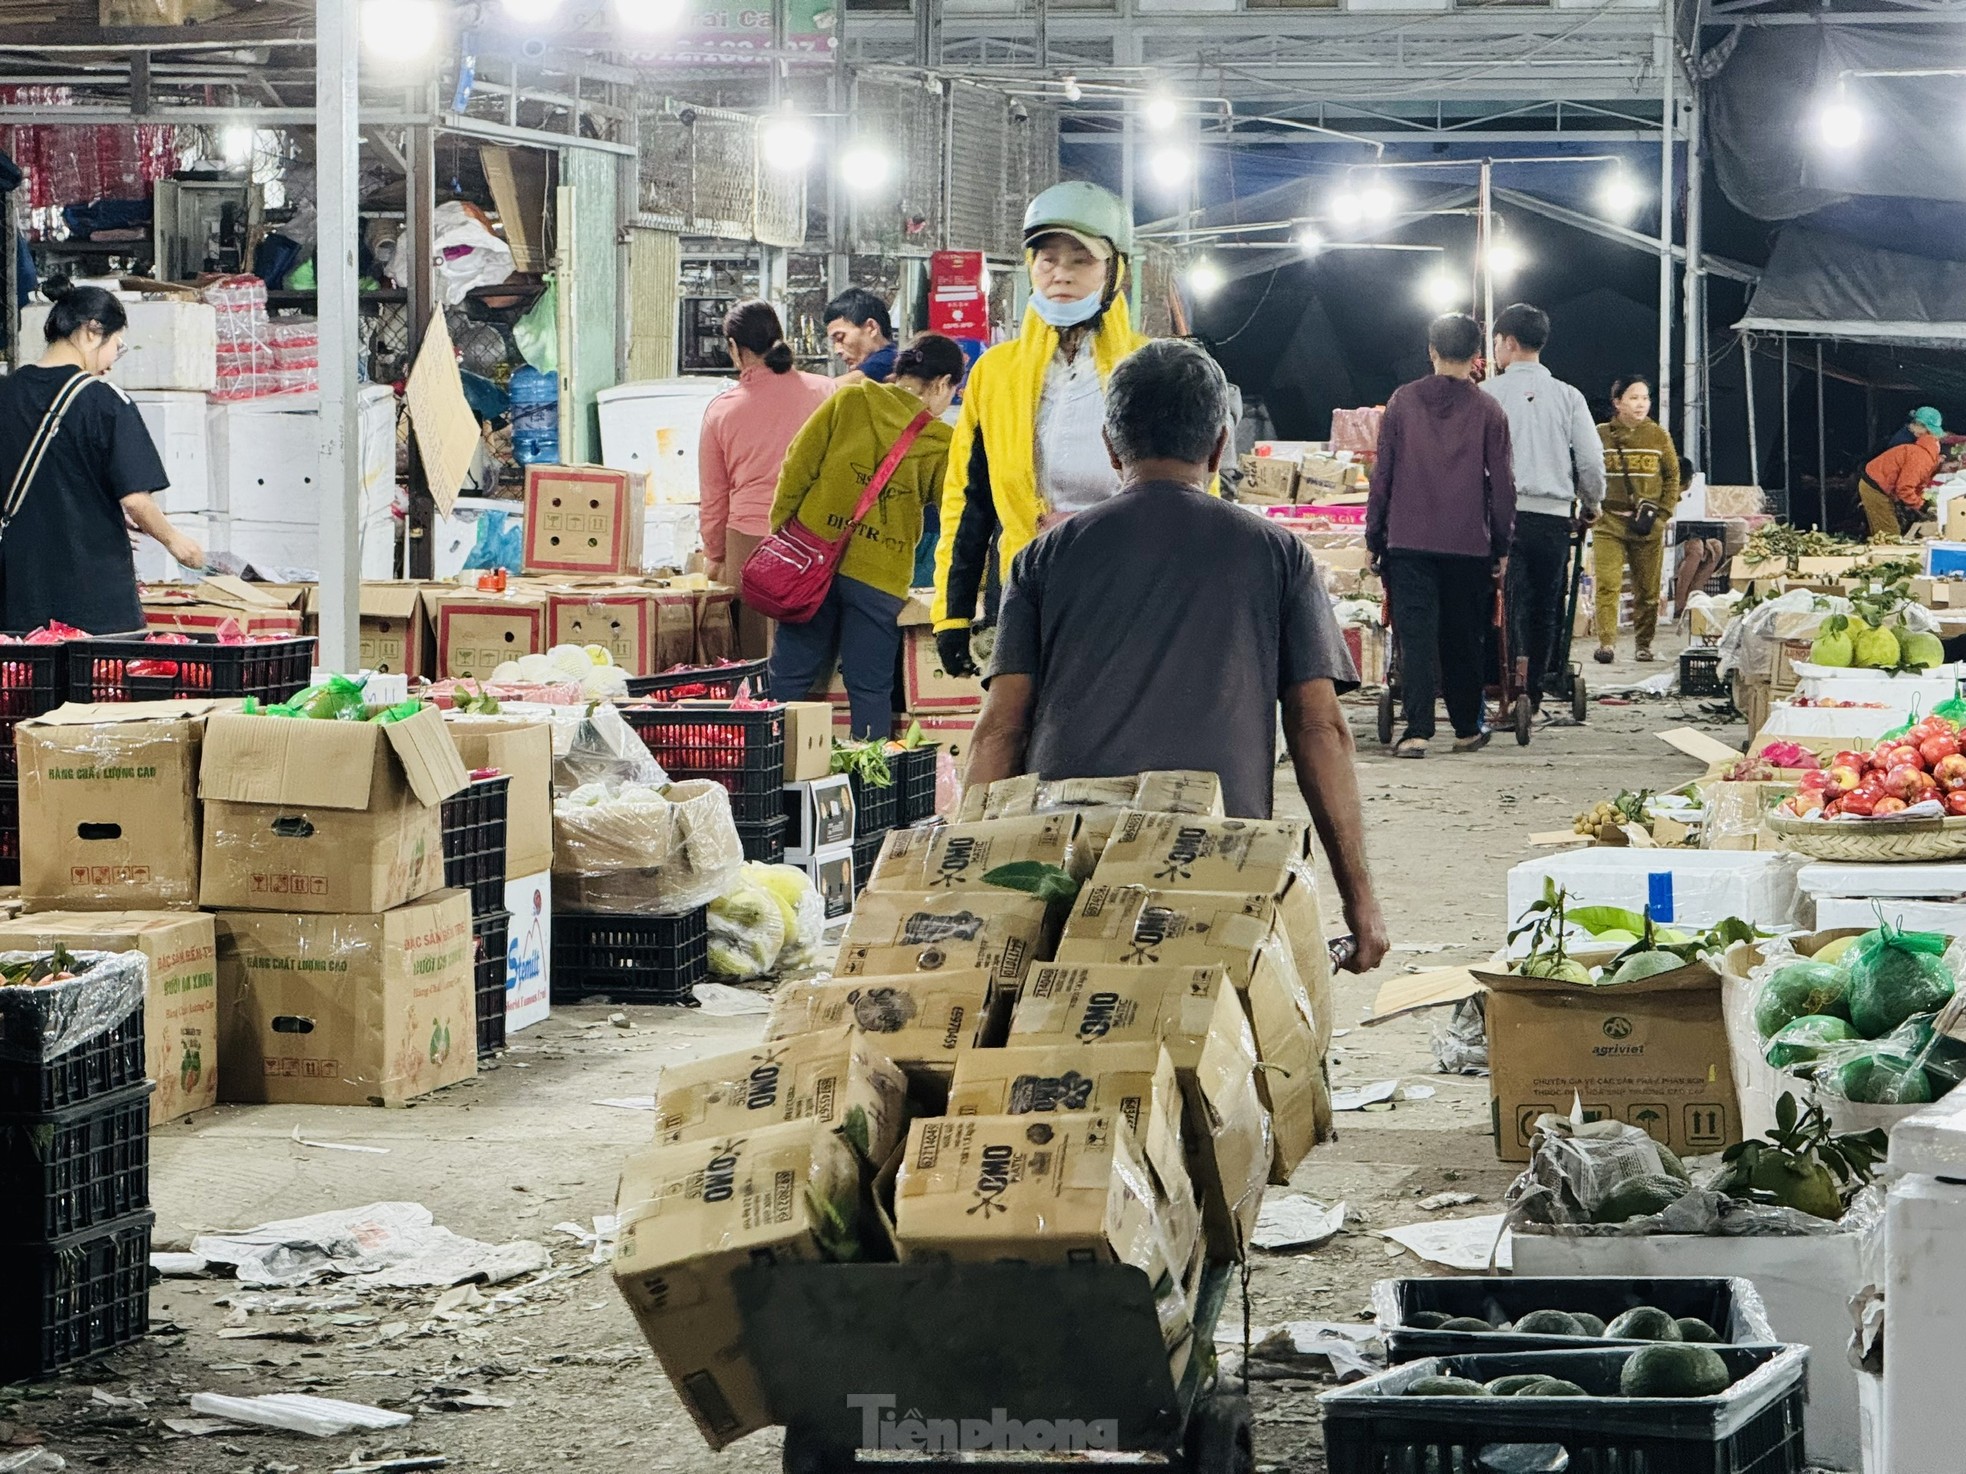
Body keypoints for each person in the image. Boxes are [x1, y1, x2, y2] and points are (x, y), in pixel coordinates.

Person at [966, 339, 1386, 973]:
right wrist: (1361, 903)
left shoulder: (1043, 558)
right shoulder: (1277, 554)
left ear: (1112, 446)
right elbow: (1319, 729)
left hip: (1068, 865)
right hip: (1219, 863)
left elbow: (1000, 728)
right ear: (1220, 446)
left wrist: (963, 887)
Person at [930, 180, 1151, 678]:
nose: (1060, 275)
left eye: (1081, 260)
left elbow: (1193, 495)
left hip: (1131, 598)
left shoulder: (1151, 367)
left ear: (1118, 270)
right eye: (1047, 259)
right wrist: (953, 612)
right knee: (1026, 742)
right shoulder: (995, 373)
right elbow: (968, 500)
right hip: (1026, 597)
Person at [765, 335, 967, 738]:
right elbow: (954, 513)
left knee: (786, 681)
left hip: (811, 559)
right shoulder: (940, 440)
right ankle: (866, 786)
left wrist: (783, 534)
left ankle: (773, 775)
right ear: (943, 383)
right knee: (870, 688)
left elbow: (796, 467)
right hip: (879, 574)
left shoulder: (848, 402)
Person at [0, 277, 204, 633]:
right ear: (92, 332)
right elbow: (137, 502)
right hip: (91, 595)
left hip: (17, 592)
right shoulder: (106, 403)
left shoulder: (6, 393)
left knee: (23, 683)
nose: (112, 361)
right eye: (117, 346)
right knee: (97, 684)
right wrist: (180, 545)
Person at [1366, 313, 1516, 759]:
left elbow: (1383, 475)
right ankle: (1468, 726)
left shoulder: (1402, 402)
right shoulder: (1489, 409)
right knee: (1463, 636)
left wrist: (1374, 536)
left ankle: (1416, 731)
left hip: (1408, 542)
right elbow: (1504, 485)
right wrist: (1502, 544)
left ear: (1431, 350)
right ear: (1477, 357)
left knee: (1414, 637)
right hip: (1468, 544)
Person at [1483, 303, 1605, 716]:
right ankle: (1531, 691)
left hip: (1500, 517)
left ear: (1510, 342)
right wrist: (1592, 503)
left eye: (1497, 342)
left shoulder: (1488, 394)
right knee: (1545, 604)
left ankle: (1504, 686)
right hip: (1553, 518)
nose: (1495, 350)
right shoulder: (1568, 396)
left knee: (1505, 603)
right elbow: (1590, 460)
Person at [698, 300, 833, 653]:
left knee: (755, 654)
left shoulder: (722, 410)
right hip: (816, 536)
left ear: (733, 348)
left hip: (749, 542)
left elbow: (714, 496)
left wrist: (715, 554)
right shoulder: (826, 392)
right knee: (814, 646)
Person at [1594, 374, 1682, 664]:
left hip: (1647, 524)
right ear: (1617, 402)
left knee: (1648, 591)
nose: (1641, 404)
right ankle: (1606, 643)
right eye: (1633, 397)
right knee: (1608, 584)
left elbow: (1672, 477)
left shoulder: (1658, 435)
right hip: (1609, 522)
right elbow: (1587, 470)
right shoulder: (1601, 434)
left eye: (1645, 398)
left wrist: (1663, 515)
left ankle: (1644, 644)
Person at [1858, 406, 1942, 539]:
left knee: (1883, 533)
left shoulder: (1921, 452)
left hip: (1880, 483)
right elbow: (1905, 487)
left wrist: (1919, 502)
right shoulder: (1920, 455)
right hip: (1875, 486)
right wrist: (1921, 505)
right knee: (1890, 535)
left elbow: (1912, 482)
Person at [821, 287, 897, 386]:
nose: (837, 350)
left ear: (871, 327)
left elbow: (830, 389)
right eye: (834, 342)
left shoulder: (889, 360)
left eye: (840, 337)